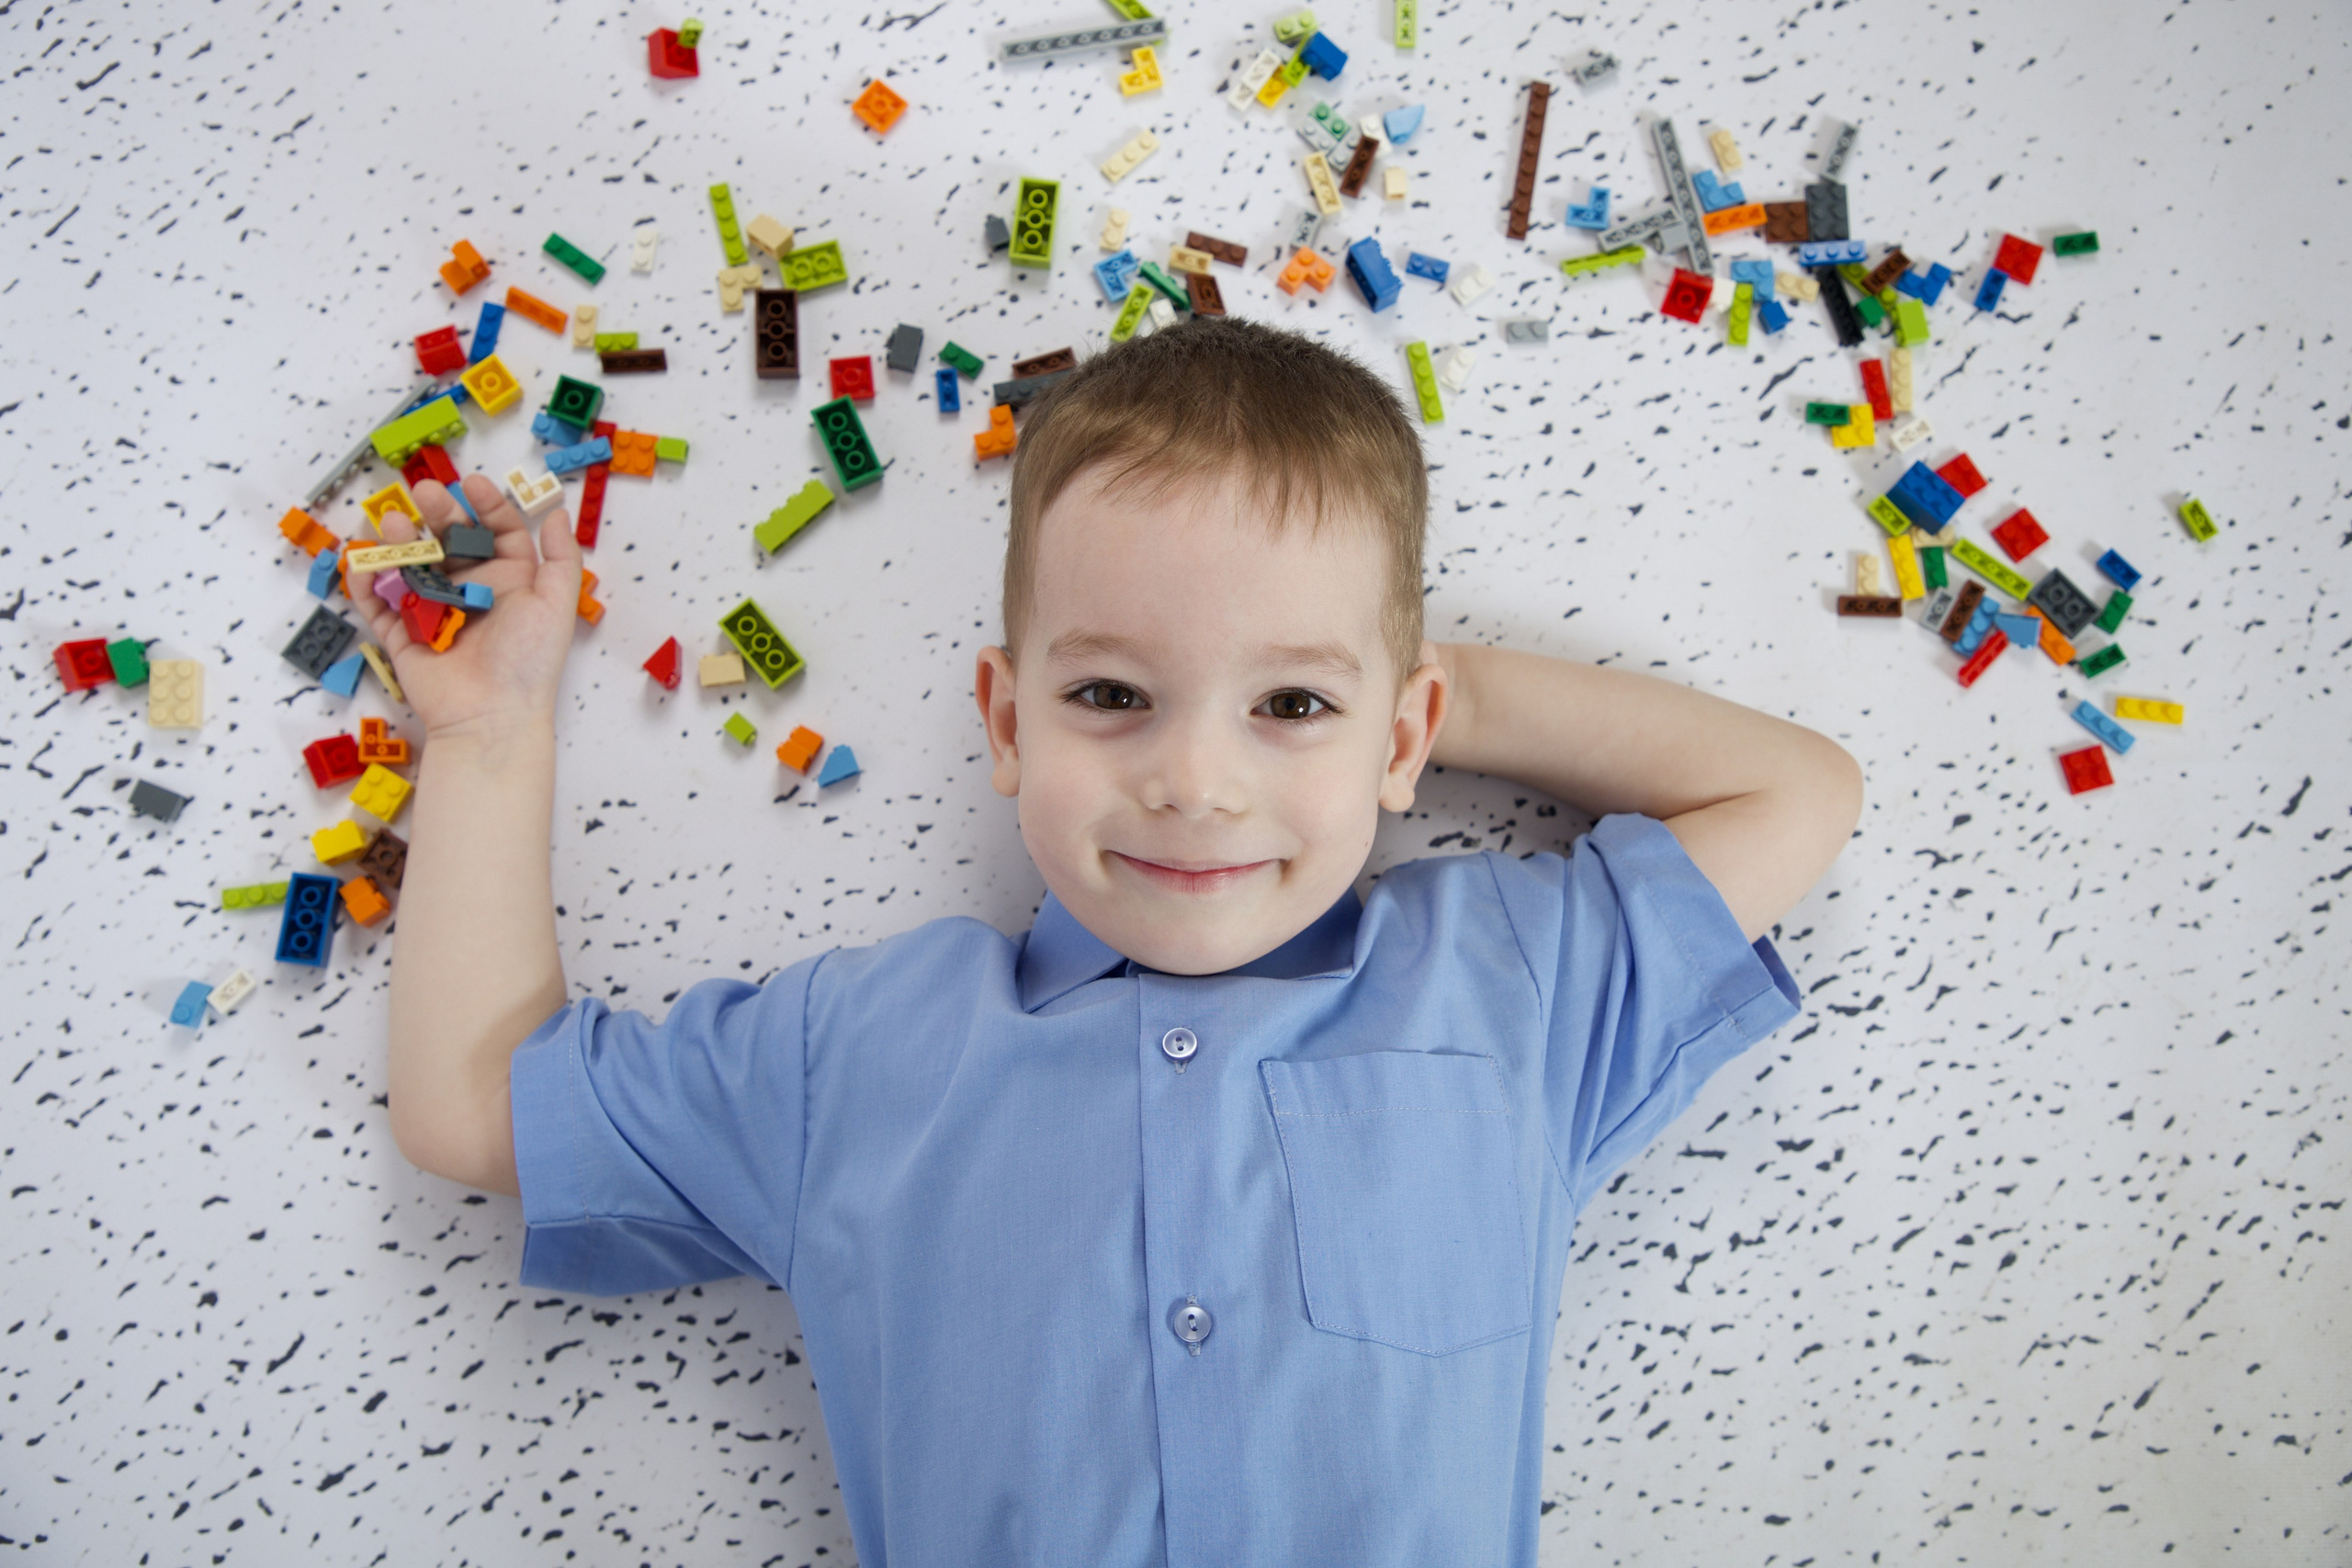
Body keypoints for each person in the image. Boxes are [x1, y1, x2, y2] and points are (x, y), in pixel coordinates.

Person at [364, 316, 1863, 1566]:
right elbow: (473, 1102)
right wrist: (490, 733)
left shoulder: (1513, 994)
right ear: (1008, 721)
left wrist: (1416, 687)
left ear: (1409, 733)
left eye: (1290, 708)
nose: (1195, 781)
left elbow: (1796, 789)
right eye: (1110, 696)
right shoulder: (857, 1056)